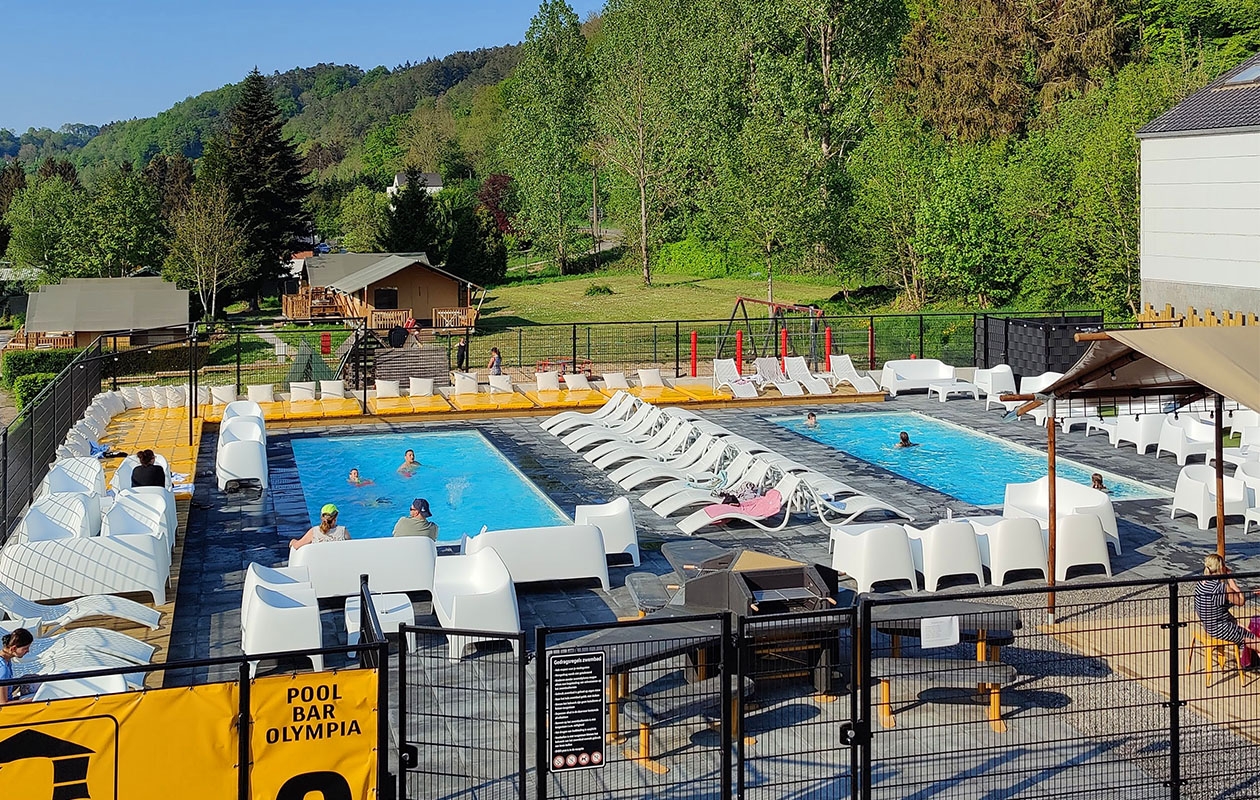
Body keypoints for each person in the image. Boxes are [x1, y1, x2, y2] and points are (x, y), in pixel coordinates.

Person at [1194, 554, 1260, 664]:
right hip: (1221, 628)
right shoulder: (1222, 588)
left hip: (1209, 625)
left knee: (1247, 632)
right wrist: (1230, 578)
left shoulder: (1200, 584)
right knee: (1256, 642)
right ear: (1221, 568)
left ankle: (1248, 654)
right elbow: (1241, 601)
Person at [0, 628, 33, 706]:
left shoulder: (6, 660)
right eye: (25, 648)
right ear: (14, 648)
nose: (28, 651)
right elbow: (3, 703)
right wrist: (30, 700)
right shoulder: (3, 669)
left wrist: (22, 681)